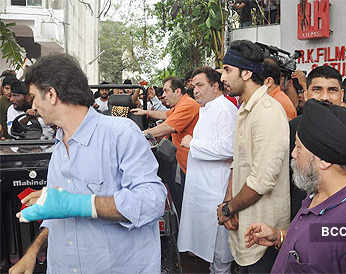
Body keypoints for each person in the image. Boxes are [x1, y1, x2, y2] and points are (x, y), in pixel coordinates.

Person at [10, 54, 167, 273]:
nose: (34, 106)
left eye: (35, 97)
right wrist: (32, 253)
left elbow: (152, 201)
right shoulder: (59, 149)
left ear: (52, 94)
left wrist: (79, 204)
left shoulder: (120, 134)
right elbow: (59, 215)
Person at [245, 99, 346, 273]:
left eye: (298, 147)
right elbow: (330, 236)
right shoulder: (324, 191)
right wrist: (280, 237)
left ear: (324, 160)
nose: (293, 154)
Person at [217, 40, 290, 273]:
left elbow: (262, 181)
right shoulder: (245, 109)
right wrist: (228, 203)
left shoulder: (268, 112)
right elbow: (238, 164)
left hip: (263, 236)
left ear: (247, 73)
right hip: (243, 229)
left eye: (228, 70)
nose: (222, 78)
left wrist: (229, 209)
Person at [288, 65, 346, 221]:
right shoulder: (292, 128)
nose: (325, 97)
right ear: (305, 93)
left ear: (342, 94)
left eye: (332, 90)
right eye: (317, 89)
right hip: (299, 220)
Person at [178, 67, 237, 273]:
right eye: (193, 86)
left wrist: (193, 144)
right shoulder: (208, 108)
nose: (195, 90)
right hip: (204, 190)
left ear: (215, 86)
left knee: (220, 255)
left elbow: (229, 149)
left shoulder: (225, 109)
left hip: (217, 191)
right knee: (210, 255)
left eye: (200, 85)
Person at [131, 77, 200, 217]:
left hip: (187, 165)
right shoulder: (180, 105)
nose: (163, 95)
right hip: (181, 162)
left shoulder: (188, 105)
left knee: (183, 205)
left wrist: (138, 134)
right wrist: (146, 112)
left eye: (166, 90)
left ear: (178, 91)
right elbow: (165, 114)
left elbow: (168, 126)